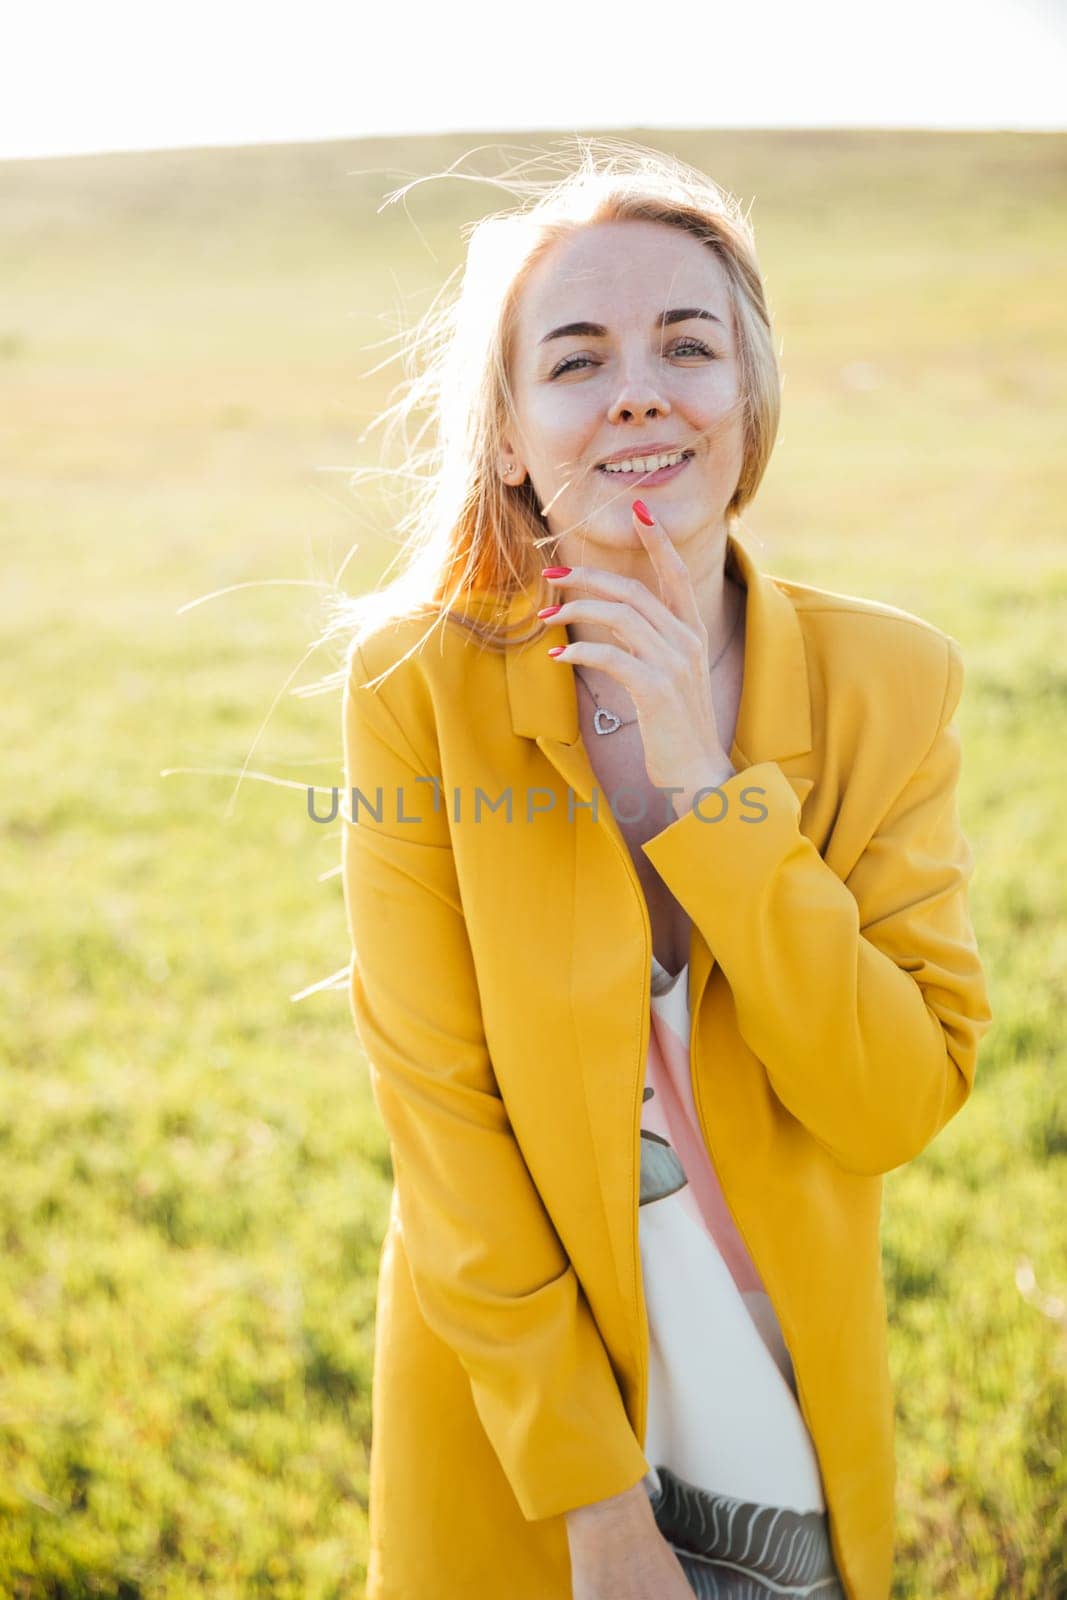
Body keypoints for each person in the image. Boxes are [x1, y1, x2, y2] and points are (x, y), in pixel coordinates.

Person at [337, 139, 994, 1600]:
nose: (638, 388)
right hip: (517, 1407)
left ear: (747, 400)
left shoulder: (895, 683)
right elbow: (447, 1130)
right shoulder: (413, 694)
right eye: (575, 360)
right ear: (509, 434)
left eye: (685, 345)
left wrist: (710, 793)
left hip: (781, 1381)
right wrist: (595, 1510)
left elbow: (892, 1102)